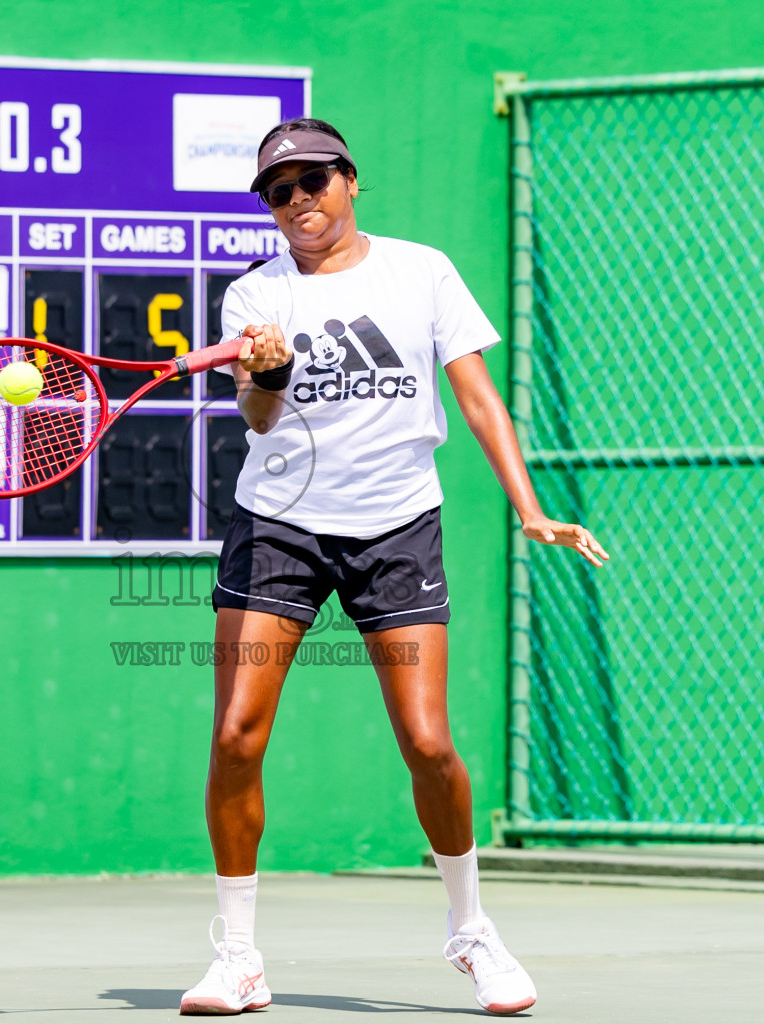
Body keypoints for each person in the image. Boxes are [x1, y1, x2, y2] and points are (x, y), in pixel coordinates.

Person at [179, 118, 609, 1016]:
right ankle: (239, 959)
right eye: (277, 192)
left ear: (350, 181)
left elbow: (478, 396)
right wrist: (270, 371)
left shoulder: (423, 270)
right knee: (234, 738)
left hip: (396, 530)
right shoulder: (253, 296)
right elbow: (258, 421)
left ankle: (472, 932)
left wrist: (529, 507)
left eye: (313, 183)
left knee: (427, 742)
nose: (297, 202)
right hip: (279, 528)